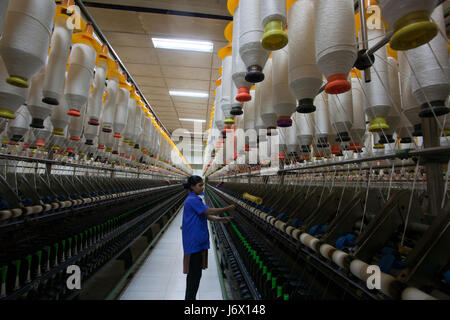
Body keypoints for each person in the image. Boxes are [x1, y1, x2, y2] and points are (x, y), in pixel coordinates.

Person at [182, 175, 235, 300]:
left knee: (195, 275)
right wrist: (227, 208)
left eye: (202, 184)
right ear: (192, 187)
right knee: (194, 276)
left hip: (196, 241)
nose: (202, 187)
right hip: (194, 242)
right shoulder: (192, 200)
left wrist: (221, 219)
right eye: (200, 185)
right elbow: (208, 212)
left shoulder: (195, 199)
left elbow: (204, 215)